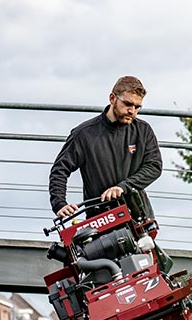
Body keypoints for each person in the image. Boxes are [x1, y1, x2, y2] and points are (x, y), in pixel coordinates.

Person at [49, 76, 162, 218]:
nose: (132, 111)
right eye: (127, 104)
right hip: (100, 219)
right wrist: (59, 203)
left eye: (137, 107)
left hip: (138, 216)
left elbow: (154, 166)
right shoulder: (84, 134)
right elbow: (60, 169)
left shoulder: (143, 130)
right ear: (112, 98)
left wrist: (123, 187)